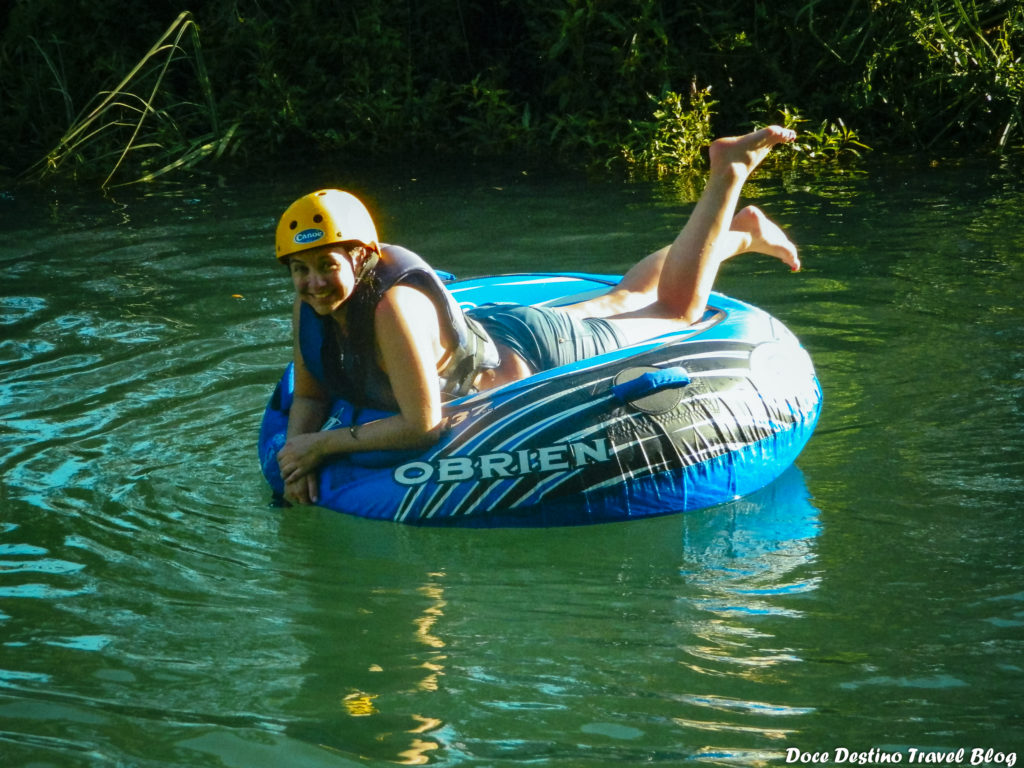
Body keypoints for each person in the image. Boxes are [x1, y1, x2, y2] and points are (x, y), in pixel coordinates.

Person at [276, 125, 800, 505]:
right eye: (301, 270)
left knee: (675, 309)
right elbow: (310, 393)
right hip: (498, 330)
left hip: (533, 352)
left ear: (362, 258)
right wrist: (295, 459)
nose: (314, 282)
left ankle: (729, 178)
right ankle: (739, 232)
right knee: (623, 297)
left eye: (327, 265)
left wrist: (320, 446)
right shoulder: (311, 304)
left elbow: (423, 426)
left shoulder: (394, 308)